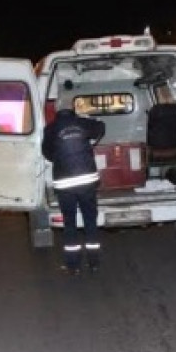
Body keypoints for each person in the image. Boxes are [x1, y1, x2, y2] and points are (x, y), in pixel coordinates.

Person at [42, 106, 105, 275]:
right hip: (87, 182)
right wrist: (91, 141)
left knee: (69, 224)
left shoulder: (51, 128)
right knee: (90, 221)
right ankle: (93, 263)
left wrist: (59, 157)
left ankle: (73, 266)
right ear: (73, 113)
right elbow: (101, 127)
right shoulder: (82, 123)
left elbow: (46, 153)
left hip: (64, 184)